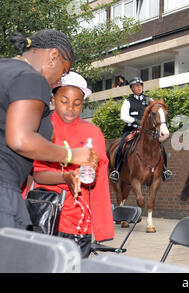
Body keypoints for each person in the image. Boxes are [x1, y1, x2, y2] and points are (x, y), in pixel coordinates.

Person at [0, 29, 97, 229]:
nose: (60, 79)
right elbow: (20, 139)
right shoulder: (32, 78)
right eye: (64, 71)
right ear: (53, 56)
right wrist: (71, 154)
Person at [27, 72, 114, 257]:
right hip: (45, 216)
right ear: (53, 98)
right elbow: (38, 173)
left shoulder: (93, 133)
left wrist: (88, 175)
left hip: (78, 220)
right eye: (64, 101)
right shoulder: (42, 128)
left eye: (77, 103)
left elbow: (95, 180)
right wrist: (65, 176)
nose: (70, 108)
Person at [109, 77, 172, 183]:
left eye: (140, 86)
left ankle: (164, 171)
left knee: (162, 148)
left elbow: (156, 112)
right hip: (131, 130)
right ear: (132, 89)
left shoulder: (149, 100)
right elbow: (123, 116)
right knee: (121, 147)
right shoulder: (128, 101)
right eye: (136, 86)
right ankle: (116, 171)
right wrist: (136, 121)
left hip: (146, 131)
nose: (139, 88)